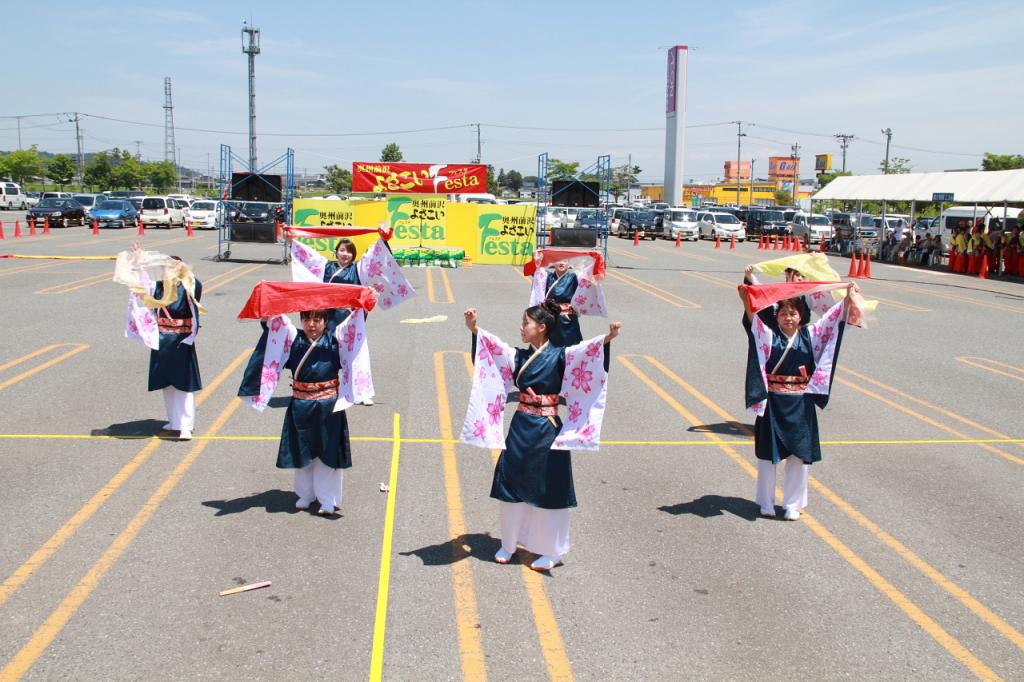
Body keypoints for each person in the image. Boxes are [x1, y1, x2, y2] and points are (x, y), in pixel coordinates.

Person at [463, 302, 621, 571]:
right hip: (521, 425)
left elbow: (586, 352)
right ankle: (509, 543)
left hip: (547, 428)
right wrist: (475, 330)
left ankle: (553, 550)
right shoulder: (519, 357)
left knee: (550, 488)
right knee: (511, 482)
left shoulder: (561, 356)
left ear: (542, 328)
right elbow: (494, 347)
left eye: (526, 323)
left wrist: (606, 339)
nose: (521, 328)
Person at [739, 282, 858, 521]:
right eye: (783, 313)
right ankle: (765, 502)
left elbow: (832, 320)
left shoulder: (811, 336)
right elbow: (754, 324)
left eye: (793, 313)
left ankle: (793, 504)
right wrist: (745, 299)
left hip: (800, 404)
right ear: (778, 317)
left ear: (801, 316)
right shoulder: (770, 336)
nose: (788, 318)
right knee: (767, 455)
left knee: (799, 456)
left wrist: (847, 297)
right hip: (773, 403)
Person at [241, 310, 352, 515]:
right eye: (306, 319)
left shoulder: (336, 340)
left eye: (317, 320)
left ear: (325, 322)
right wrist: (267, 320)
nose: (311, 324)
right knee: (303, 452)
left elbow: (352, 327)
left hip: (328, 406)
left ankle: (328, 498)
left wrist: (364, 304)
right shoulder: (294, 340)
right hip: (301, 404)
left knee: (328, 454)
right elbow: (278, 330)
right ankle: (306, 494)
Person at [127, 242, 202, 441]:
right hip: (162, 340)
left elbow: (197, 286)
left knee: (184, 385)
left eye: (175, 268)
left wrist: (184, 272)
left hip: (181, 340)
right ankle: (174, 422)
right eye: (168, 268)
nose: (171, 272)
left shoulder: (189, 287)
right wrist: (139, 259)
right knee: (167, 384)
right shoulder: (158, 287)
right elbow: (141, 285)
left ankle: (186, 426)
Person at [535, 254, 583, 346]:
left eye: (565, 261)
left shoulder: (574, 277)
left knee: (570, 347)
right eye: (559, 260)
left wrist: (596, 259)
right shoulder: (547, 277)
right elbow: (537, 270)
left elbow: (588, 277)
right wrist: (537, 257)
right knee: (549, 347)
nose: (561, 263)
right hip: (550, 318)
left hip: (568, 319)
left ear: (569, 264)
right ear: (554, 263)